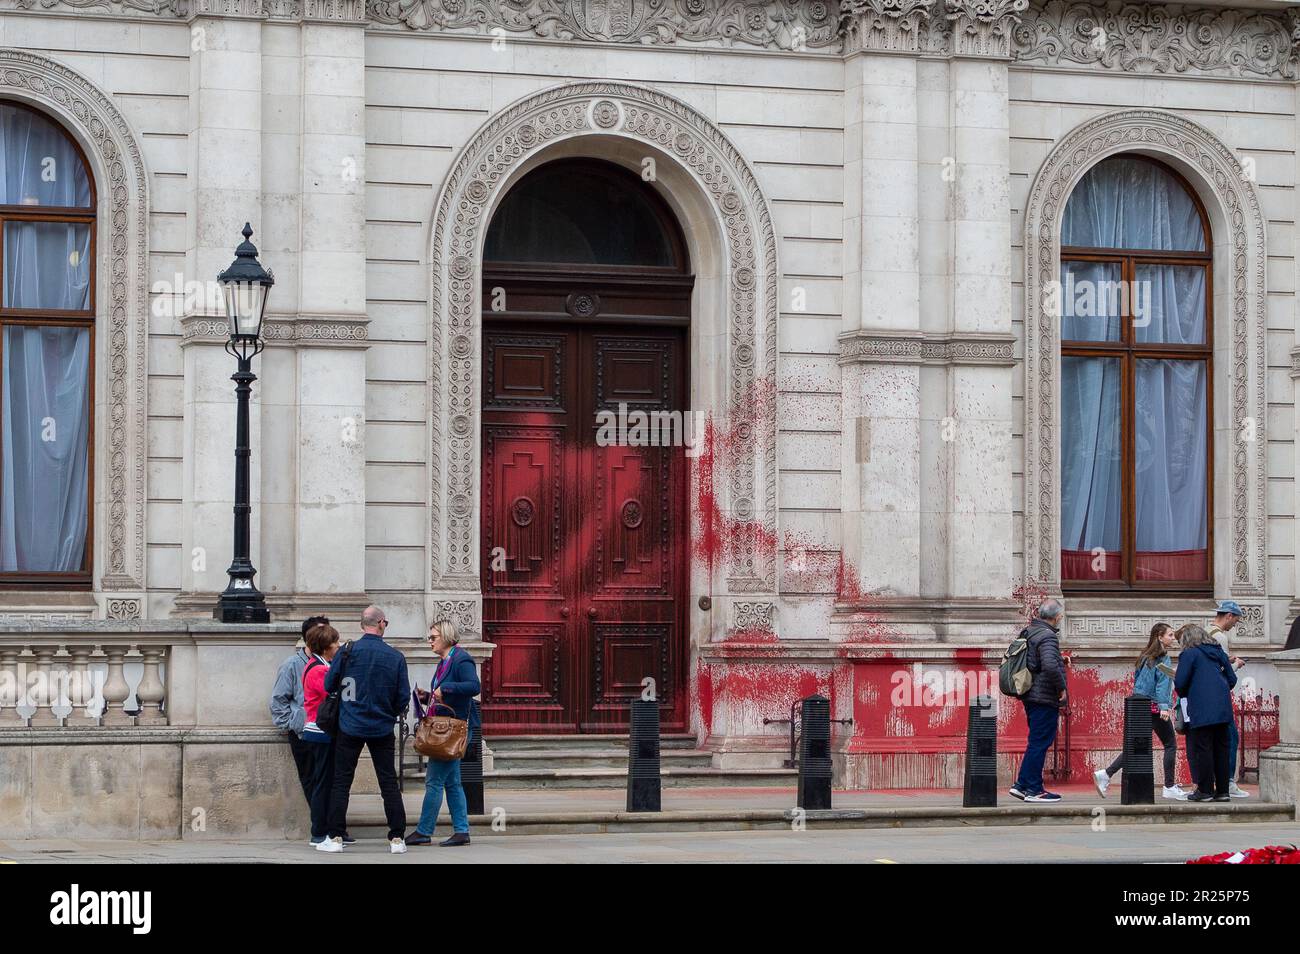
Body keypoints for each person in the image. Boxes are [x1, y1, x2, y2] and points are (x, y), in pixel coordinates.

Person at [318, 605, 411, 854]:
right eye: (386, 623)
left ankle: (335, 837)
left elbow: (329, 685)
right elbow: (403, 697)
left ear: (363, 625)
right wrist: (387, 712)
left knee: (341, 781)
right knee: (388, 782)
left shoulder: (347, 652)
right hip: (381, 726)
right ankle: (397, 839)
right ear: (381, 623)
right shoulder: (395, 657)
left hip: (350, 725)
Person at [406, 619, 480, 848]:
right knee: (453, 783)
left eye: (433, 637)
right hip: (446, 727)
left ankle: (424, 831)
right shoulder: (444, 662)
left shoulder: (461, 658)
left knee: (434, 781)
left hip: (452, 730)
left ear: (446, 636)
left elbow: (473, 686)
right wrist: (428, 696)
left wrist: (445, 689)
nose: (430, 641)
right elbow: (446, 696)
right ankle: (461, 830)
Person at [1093, 623, 1188, 801]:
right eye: (1170, 635)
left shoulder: (1144, 657)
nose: (1173, 638)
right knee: (1170, 744)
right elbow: (1162, 684)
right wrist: (1164, 706)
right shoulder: (1163, 658)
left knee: (1136, 746)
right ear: (1159, 637)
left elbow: (1139, 682)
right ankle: (1168, 786)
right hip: (1155, 707)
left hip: (1140, 705)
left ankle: (1106, 774)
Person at [1010, 599, 1069, 803]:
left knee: (1036, 741)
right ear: (1056, 616)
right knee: (1040, 742)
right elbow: (1050, 666)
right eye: (1060, 615)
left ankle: (1021, 785)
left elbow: (1036, 660)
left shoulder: (1030, 631)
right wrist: (1061, 688)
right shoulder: (1048, 636)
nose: (1060, 618)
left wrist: (1060, 660)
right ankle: (1034, 789)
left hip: (1030, 694)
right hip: (1044, 696)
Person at [1175, 624, 1237, 802]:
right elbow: (1232, 679)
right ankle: (1223, 791)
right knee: (1222, 749)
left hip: (1201, 709)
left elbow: (1180, 683)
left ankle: (1205, 791)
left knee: (1203, 749)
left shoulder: (1189, 654)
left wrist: (1190, 692)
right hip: (1223, 709)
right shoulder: (1218, 652)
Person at [270, 615, 328, 804]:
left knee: (330, 781)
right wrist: (293, 723)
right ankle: (321, 827)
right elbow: (279, 700)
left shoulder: (331, 664)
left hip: (328, 732)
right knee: (310, 779)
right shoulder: (292, 665)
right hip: (304, 734)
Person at [301, 621, 341, 846]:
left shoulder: (316, 664)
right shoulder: (319, 669)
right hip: (320, 731)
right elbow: (333, 691)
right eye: (335, 643)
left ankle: (322, 829)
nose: (338, 646)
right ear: (326, 647)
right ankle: (319, 831)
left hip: (317, 730)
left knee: (323, 780)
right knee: (322, 783)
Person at [1207, 600, 1250, 797]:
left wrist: (1228, 659)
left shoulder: (1206, 632)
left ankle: (1209, 782)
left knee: (1208, 741)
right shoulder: (1221, 638)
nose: (1235, 625)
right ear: (1229, 616)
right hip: (1219, 696)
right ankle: (1229, 782)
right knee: (1231, 738)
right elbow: (1221, 672)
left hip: (1205, 697)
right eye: (1236, 620)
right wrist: (1236, 665)